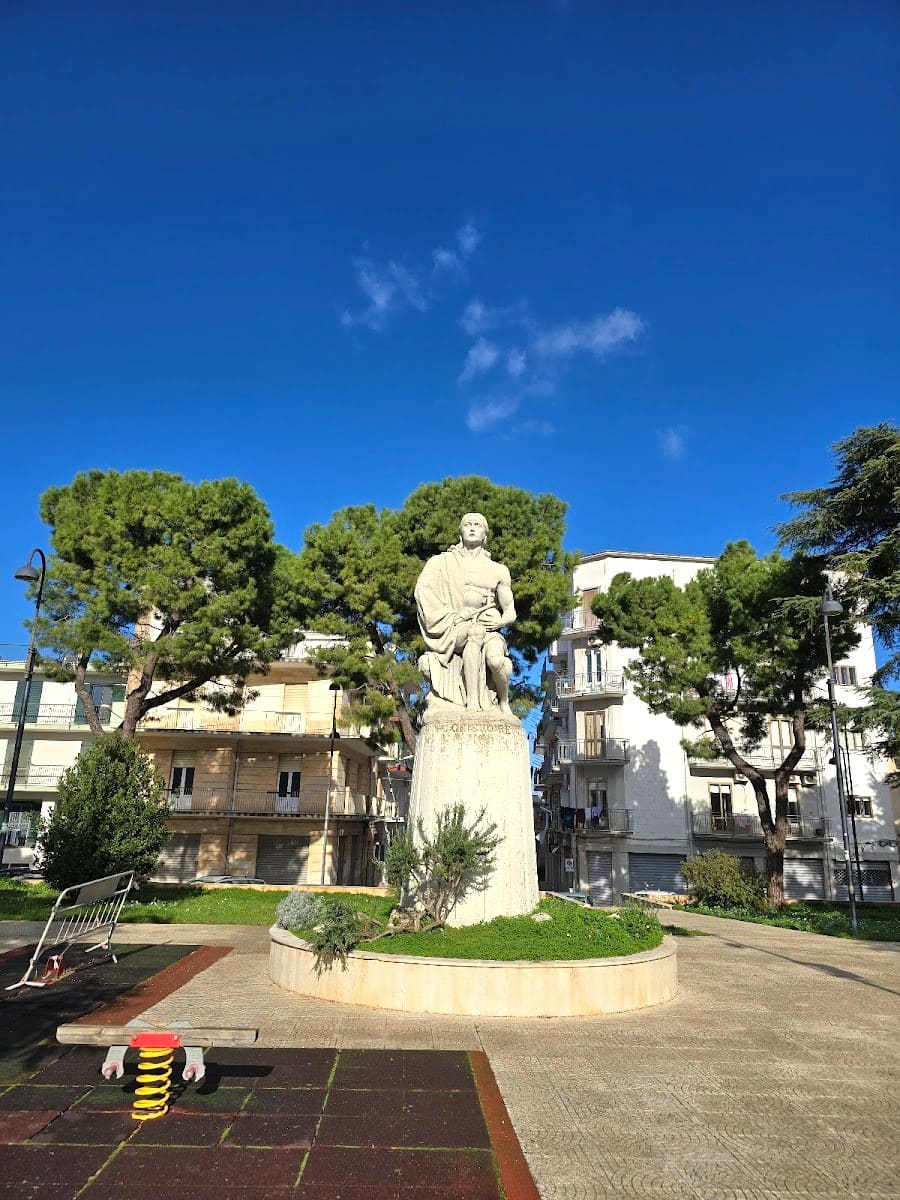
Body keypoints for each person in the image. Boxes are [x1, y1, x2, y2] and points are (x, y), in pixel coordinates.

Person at [415, 513, 516, 714]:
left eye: (477, 525)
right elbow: (422, 590)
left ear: (485, 535)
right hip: (454, 626)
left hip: (489, 628)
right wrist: (449, 616)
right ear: (460, 532)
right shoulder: (441, 562)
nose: (472, 528)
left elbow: (510, 613)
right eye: (467, 524)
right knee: (474, 632)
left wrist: (498, 622)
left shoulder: (498, 570)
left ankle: (503, 701)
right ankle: (472, 702)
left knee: (497, 662)